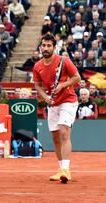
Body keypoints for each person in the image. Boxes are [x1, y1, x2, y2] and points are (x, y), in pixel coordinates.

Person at [33, 34, 81, 184]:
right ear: (40, 47)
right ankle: (61, 169)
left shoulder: (64, 61)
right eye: (44, 45)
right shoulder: (37, 66)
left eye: (49, 46)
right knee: (55, 138)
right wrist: (44, 97)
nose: (46, 48)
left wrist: (62, 85)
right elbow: (37, 86)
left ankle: (66, 169)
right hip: (52, 103)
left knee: (64, 132)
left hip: (68, 100)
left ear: (54, 47)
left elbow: (77, 77)